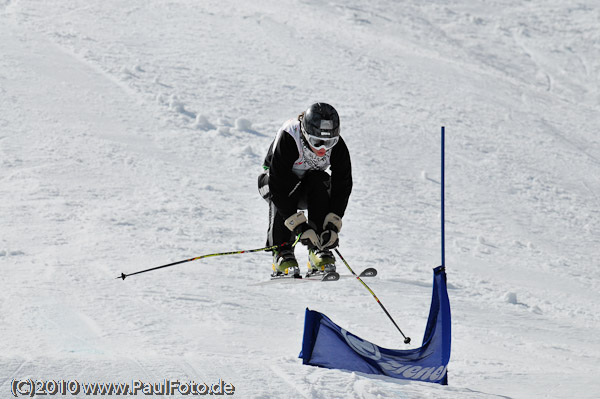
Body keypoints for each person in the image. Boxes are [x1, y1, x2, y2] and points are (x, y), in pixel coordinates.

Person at [258, 103, 353, 277]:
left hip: (306, 188)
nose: (322, 149)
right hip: (273, 184)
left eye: (329, 142)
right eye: (316, 142)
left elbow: (342, 185)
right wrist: (299, 227)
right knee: (287, 183)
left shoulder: (338, 147)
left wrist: (332, 224)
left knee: (320, 180)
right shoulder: (290, 136)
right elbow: (277, 186)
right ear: (305, 133)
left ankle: (318, 249)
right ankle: (281, 252)